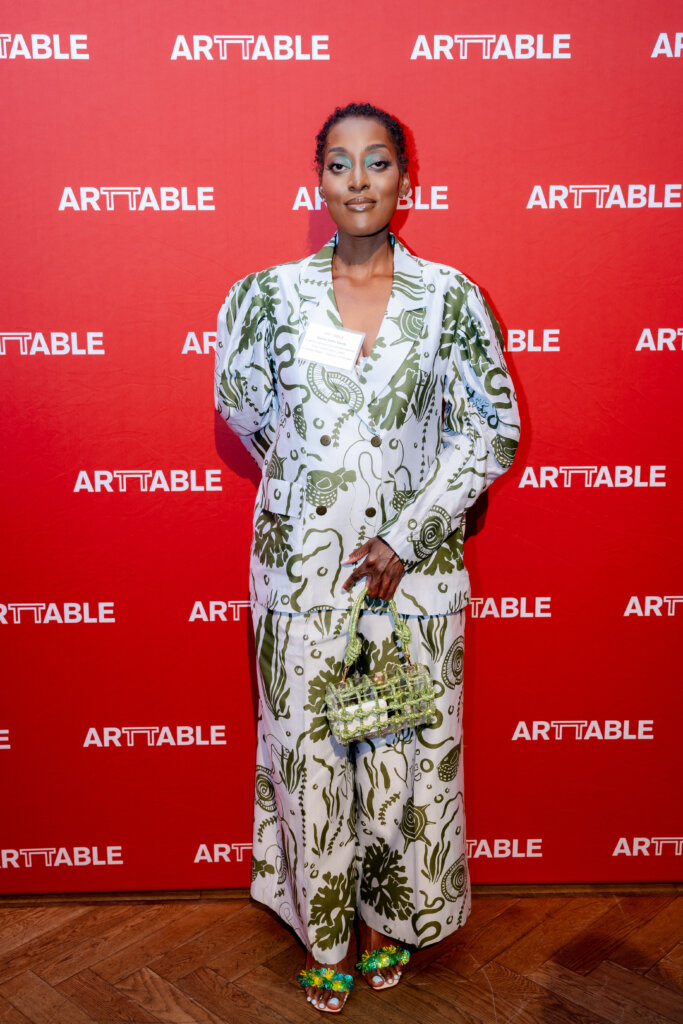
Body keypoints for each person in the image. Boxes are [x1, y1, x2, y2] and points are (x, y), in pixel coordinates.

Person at [215, 102, 520, 1013]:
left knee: (401, 763)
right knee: (308, 760)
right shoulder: (264, 297)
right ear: (319, 180)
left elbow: (489, 429)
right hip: (301, 579)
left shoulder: (450, 299)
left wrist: (404, 531)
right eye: (340, 162)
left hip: (411, 581)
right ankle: (327, 934)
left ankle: (391, 921)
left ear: (404, 180)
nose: (357, 179)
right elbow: (249, 413)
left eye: (377, 161)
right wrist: (325, 490)